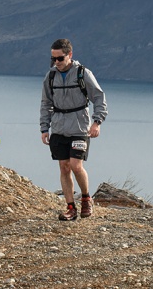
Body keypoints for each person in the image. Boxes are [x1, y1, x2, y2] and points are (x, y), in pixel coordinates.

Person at [40, 38, 108, 221]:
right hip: (59, 128)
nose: (56, 62)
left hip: (79, 127)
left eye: (60, 58)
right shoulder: (51, 77)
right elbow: (45, 103)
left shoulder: (83, 74)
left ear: (70, 55)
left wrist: (97, 122)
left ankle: (86, 197)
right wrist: (44, 128)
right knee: (64, 167)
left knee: (76, 165)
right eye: (53, 59)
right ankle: (71, 207)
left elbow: (99, 98)